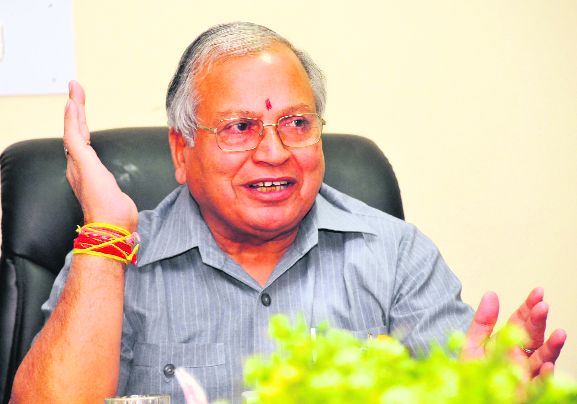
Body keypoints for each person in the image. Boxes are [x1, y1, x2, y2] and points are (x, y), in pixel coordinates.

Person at [11, 22, 566, 403]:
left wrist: (486, 391)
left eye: (297, 123)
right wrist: (106, 233)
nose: (274, 152)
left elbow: (463, 383)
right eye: (240, 127)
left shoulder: (394, 256)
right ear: (182, 151)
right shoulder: (115, 259)